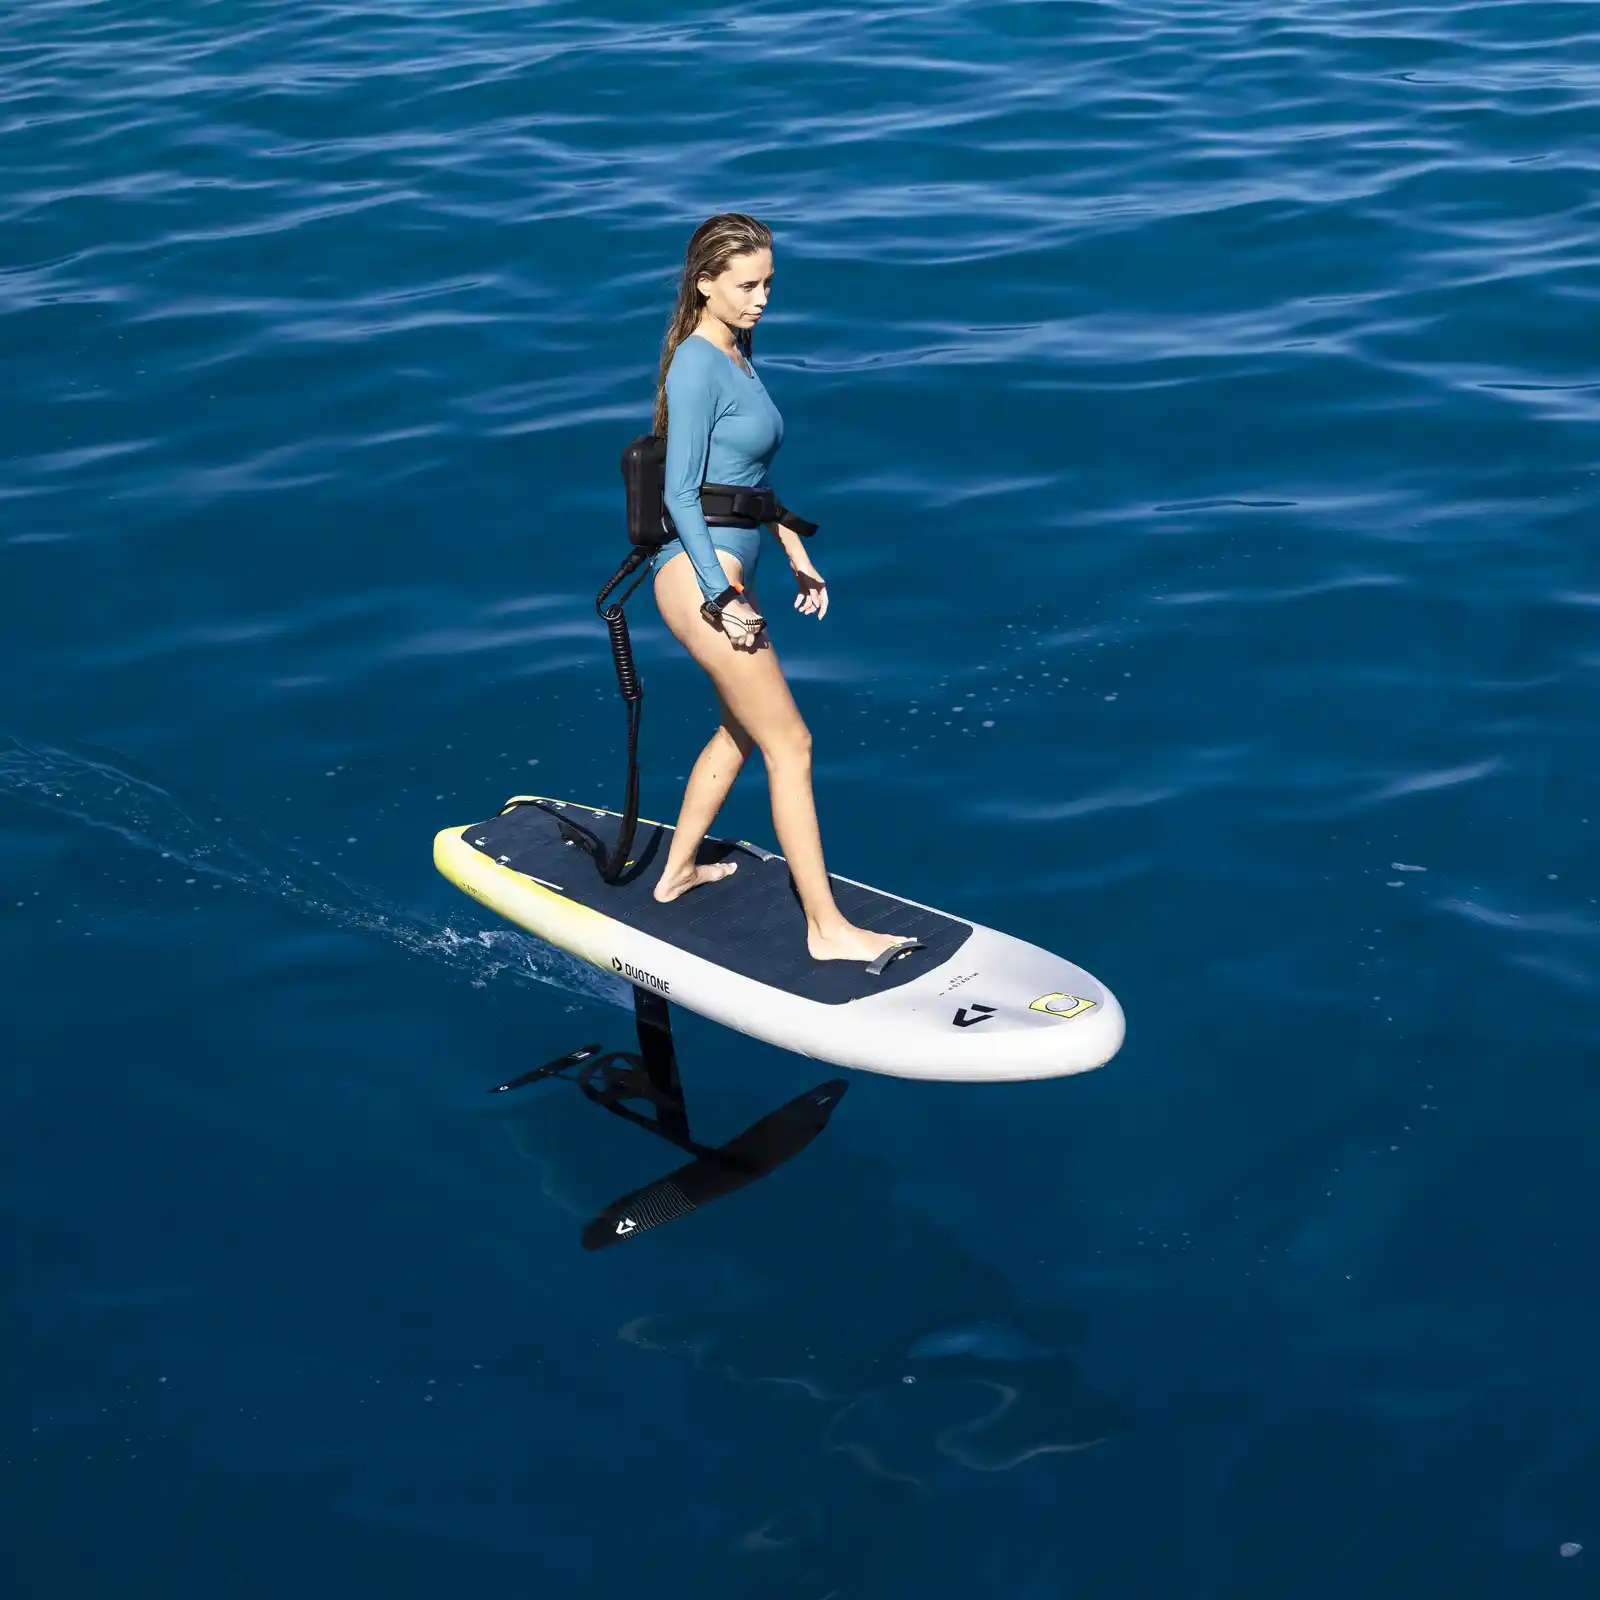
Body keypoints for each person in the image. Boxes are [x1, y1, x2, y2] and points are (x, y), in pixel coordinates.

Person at [646, 212, 911, 966]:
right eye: (747, 285)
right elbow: (679, 495)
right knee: (790, 743)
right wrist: (721, 597)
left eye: (768, 283)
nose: (762, 298)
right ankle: (827, 931)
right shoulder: (697, 364)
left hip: (731, 567)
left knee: (741, 729)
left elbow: (745, 482)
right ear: (705, 284)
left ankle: (675, 873)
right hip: (701, 577)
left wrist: (793, 545)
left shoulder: (737, 353)